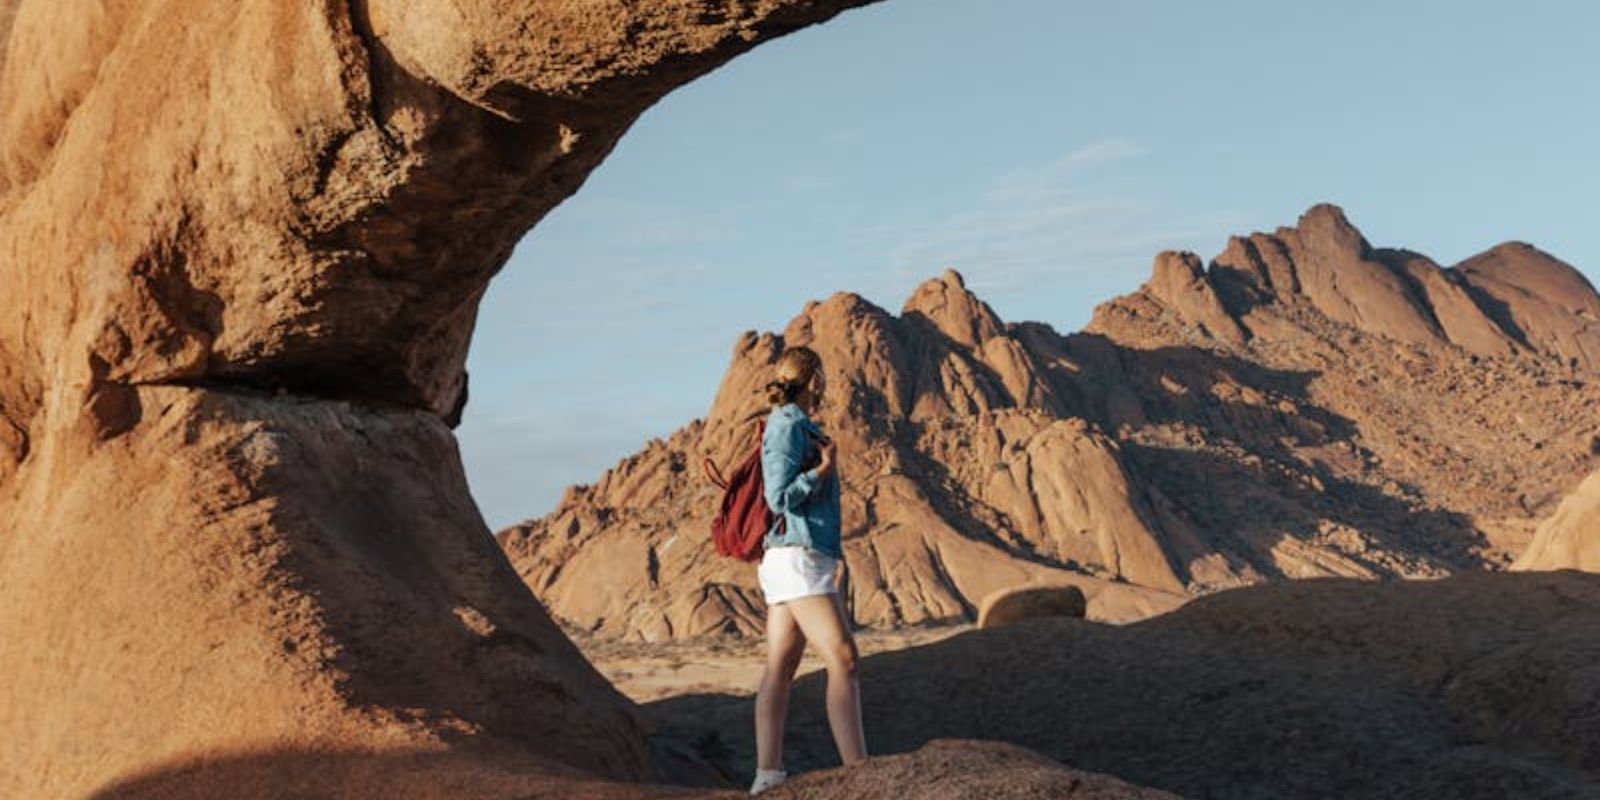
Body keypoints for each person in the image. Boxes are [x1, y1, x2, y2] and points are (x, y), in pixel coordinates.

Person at [749, 346, 867, 796]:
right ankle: (860, 771)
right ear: (813, 378)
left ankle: (767, 777)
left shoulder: (794, 422)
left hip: (791, 557)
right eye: (824, 376)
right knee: (844, 658)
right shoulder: (787, 424)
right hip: (796, 556)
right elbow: (777, 496)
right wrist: (822, 471)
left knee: (782, 664)